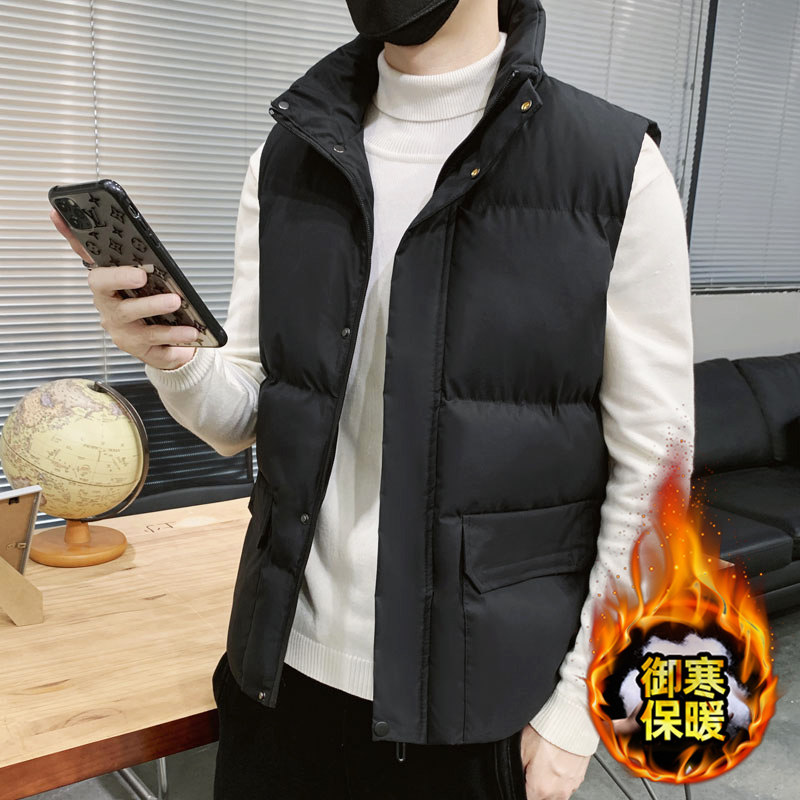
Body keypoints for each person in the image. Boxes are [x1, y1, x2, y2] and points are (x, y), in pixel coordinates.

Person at [51, 0, 694, 797]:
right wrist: (169, 353)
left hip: (477, 717)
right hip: (279, 683)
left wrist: (574, 719)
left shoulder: (612, 166)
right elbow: (245, 414)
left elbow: (657, 467)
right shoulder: (290, 153)